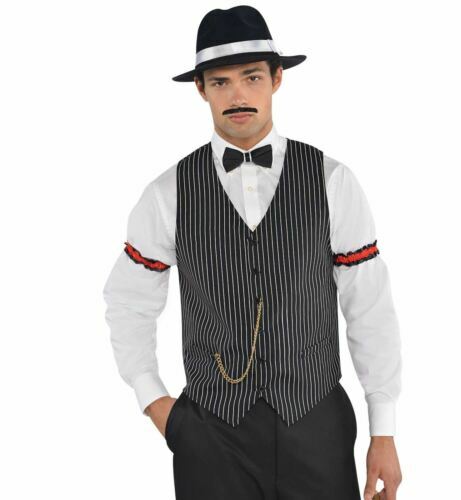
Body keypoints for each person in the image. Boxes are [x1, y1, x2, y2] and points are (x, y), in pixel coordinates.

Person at [103, 5, 402, 500]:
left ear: (277, 79)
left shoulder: (332, 181)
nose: (237, 96)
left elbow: (369, 308)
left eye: (251, 77)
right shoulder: (167, 193)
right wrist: (156, 402)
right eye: (220, 82)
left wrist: (383, 430)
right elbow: (128, 301)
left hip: (317, 426)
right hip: (211, 434)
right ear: (201, 89)